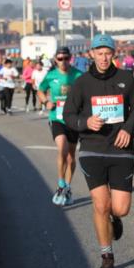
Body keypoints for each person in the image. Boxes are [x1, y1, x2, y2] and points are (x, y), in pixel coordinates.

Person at [62, 34, 134, 268]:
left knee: (120, 209)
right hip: (92, 150)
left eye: (107, 52)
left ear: (113, 54)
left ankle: (114, 218)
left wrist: (128, 129)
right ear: (92, 54)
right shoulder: (81, 83)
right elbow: (68, 115)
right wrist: (85, 121)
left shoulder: (126, 79)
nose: (104, 57)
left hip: (121, 150)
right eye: (99, 53)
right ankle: (106, 254)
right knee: (100, 204)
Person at [38, 47, 85, 206]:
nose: (63, 61)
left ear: (70, 58)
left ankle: (68, 186)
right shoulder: (51, 75)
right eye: (60, 58)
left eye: (66, 58)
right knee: (62, 148)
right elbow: (40, 90)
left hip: (73, 119)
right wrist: (46, 101)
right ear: (55, 60)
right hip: (57, 117)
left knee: (71, 156)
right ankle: (60, 184)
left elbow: (88, 92)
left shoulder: (78, 75)